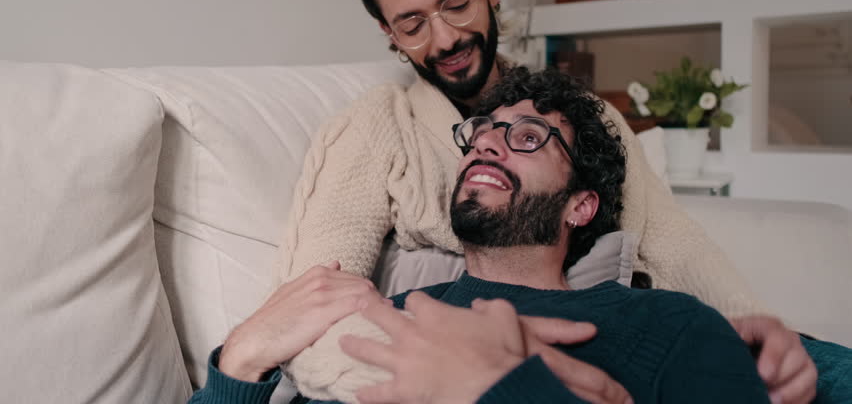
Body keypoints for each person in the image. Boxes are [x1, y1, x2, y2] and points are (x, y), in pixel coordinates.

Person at [277, 0, 838, 401]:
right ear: (389, 33)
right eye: (413, 24)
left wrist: (756, 327)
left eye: (457, 3)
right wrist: (468, 375)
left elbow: (671, 240)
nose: (444, 39)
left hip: (620, 333)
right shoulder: (376, 126)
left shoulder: (587, 113)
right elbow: (315, 304)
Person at [191, 68, 776, 403]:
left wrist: (506, 388)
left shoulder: (667, 324)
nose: (487, 143)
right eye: (482, 133)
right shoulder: (382, 321)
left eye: (528, 137)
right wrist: (241, 359)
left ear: (580, 205)